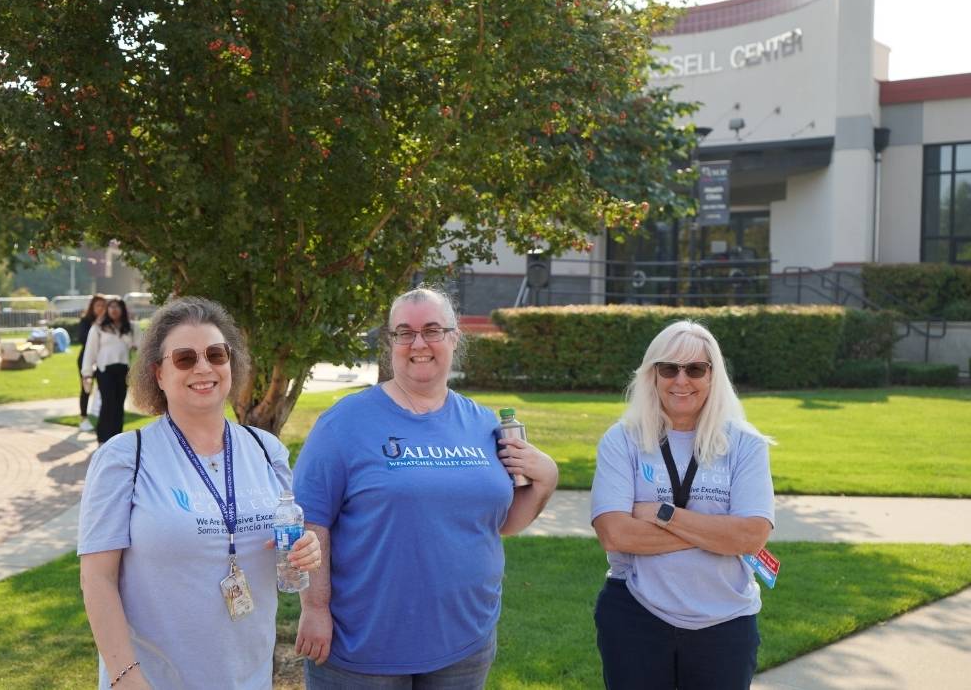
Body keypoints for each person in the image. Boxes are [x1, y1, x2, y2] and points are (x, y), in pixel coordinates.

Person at [292, 287, 559, 689]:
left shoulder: (483, 425)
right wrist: (314, 607)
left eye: (432, 330)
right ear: (391, 343)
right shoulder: (343, 423)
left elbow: (499, 524)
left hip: (465, 643)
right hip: (363, 647)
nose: (419, 343)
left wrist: (547, 480)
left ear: (454, 337)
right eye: (404, 332)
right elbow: (311, 522)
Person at [78, 296, 322, 690]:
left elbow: (281, 548)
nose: (204, 367)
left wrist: (302, 549)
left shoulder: (266, 450)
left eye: (216, 354)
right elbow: (97, 580)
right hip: (154, 681)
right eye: (185, 358)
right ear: (158, 373)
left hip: (249, 677)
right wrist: (126, 677)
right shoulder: (125, 457)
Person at [590, 320, 775, 690]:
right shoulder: (622, 440)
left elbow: (752, 536)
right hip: (636, 614)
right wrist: (718, 533)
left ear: (712, 376)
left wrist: (663, 515)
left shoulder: (745, 444)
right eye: (669, 368)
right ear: (652, 375)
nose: (681, 380)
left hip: (726, 622)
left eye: (695, 369)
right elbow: (614, 534)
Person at [81, 298, 136, 445]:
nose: (114, 310)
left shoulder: (130, 327)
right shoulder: (98, 328)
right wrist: (86, 373)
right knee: (108, 403)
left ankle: (116, 439)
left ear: (122, 310)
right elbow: (90, 352)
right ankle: (103, 439)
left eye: (117, 307)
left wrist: (122, 332)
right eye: (111, 307)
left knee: (119, 405)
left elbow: (138, 346)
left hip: (123, 370)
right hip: (105, 371)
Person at [77, 294, 107, 432]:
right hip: (86, 360)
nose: (100, 308)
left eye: (103, 305)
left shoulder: (109, 322)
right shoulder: (86, 321)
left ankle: (101, 417)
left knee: (103, 390)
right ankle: (83, 416)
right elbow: (82, 339)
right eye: (98, 305)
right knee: (86, 388)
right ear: (92, 307)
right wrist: (95, 326)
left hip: (104, 361)